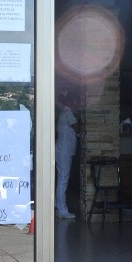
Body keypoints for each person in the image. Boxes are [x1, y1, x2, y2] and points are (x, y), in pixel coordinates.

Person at [55, 90, 78, 219]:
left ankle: (58, 207)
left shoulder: (64, 113)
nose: (77, 103)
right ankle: (62, 210)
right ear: (70, 101)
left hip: (63, 149)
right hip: (64, 150)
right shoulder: (68, 113)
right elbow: (77, 127)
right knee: (63, 180)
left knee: (61, 179)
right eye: (75, 101)